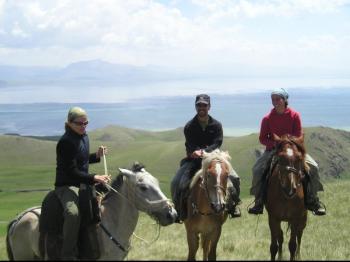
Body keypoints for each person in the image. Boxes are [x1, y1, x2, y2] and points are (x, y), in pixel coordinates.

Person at [248, 88, 326, 216]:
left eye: (278, 98)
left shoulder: (295, 115)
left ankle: (313, 200)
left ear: (285, 100)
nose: (275, 101)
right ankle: (259, 201)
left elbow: (298, 134)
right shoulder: (267, 119)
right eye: (273, 99)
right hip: (273, 150)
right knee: (257, 170)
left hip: (293, 150)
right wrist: (275, 144)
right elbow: (262, 138)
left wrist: (287, 144)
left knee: (313, 167)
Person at [171, 94, 241, 223]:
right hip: (195, 161)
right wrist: (195, 152)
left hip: (214, 159)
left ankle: (233, 206)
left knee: (235, 178)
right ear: (195, 107)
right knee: (177, 181)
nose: (201, 107)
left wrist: (204, 151)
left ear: (209, 107)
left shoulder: (216, 125)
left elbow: (217, 142)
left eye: (204, 105)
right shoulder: (189, 126)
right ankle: (180, 210)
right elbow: (190, 143)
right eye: (199, 105)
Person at [54, 106, 111, 260]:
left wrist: (97, 155)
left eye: (86, 123)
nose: (83, 126)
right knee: (73, 214)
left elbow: (83, 160)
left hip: (83, 183)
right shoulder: (66, 142)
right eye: (80, 123)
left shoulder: (84, 136)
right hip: (67, 185)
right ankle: (68, 254)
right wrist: (94, 178)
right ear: (69, 123)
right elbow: (71, 171)